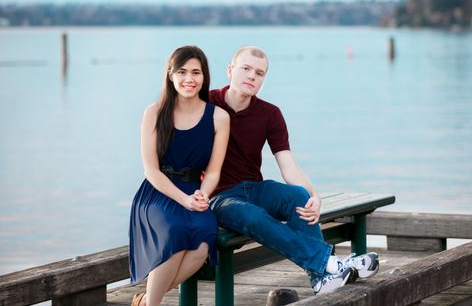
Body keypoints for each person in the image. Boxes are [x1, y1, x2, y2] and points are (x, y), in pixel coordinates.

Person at [208, 46, 379, 295]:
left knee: (298, 196)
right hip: (221, 197)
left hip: (254, 188)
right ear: (230, 70)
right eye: (245, 69)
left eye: (259, 73)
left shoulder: (270, 113)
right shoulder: (207, 104)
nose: (252, 76)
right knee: (253, 216)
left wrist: (314, 195)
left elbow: (287, 164)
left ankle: (319, 279)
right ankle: (329, 263)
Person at [129, 45, 230, 306]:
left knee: (203, 243)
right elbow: (150, 170)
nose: (189, 79)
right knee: (174, 234)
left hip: (194, 192)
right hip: (157, 193)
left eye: (196, 72)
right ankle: (151, 304)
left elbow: (214, 171)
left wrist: (201, 195)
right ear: (170, 75)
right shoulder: (154, 113)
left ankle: (144, 302)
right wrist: (183, 200)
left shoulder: (219, 117)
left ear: (204, 77)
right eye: (182, 72)